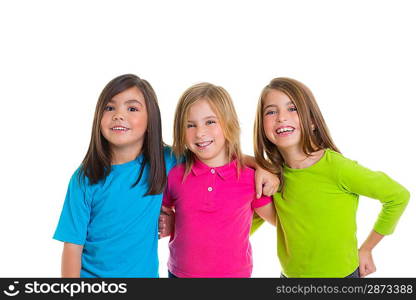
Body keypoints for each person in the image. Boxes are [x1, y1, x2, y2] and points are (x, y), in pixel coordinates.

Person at [54, 74, 278, 278]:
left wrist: (261, 166)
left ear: (151, 120)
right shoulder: (85, 178)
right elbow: (72, 247)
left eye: (132, 109)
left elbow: (217, 158)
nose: (119, 115)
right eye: (109, 108)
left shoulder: (165, 160)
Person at [253, 77, 410, 278]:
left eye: (292, 108)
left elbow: (398, 196)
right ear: (262, 126)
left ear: (312, 122)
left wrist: (367, 248)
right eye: (271, 111)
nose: (281, 117)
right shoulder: (271, 177)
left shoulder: (337, 168)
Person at [161, 83, 276, 278]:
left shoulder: (250, 178)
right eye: (190, 125)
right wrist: (167, 221)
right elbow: (161, 210)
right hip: (179, 275)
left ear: (228, 123)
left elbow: (279, 221)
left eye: (210, 122)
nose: (200, 133)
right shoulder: (175, 175)